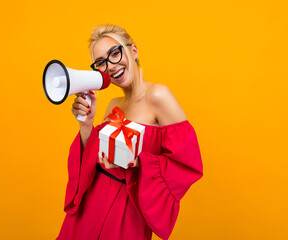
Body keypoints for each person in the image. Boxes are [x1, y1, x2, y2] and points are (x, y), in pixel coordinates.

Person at [56, 24, 203, 240]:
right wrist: (86, 124)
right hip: (89, 206)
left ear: (133, 51)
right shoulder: (113, 104)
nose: (110, 66)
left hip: (127, 210)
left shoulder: (158, 96)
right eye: (101, 63)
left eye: (114, 54)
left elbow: (187, 163)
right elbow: (91, 162)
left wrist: (137, 162)